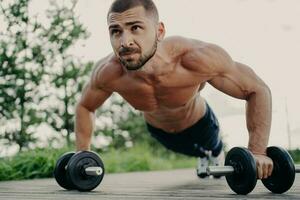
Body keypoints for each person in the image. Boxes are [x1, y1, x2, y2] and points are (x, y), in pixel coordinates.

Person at [75, 0, 273, 179]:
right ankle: (203, 157)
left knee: (211, 147)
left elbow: (257, 89)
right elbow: (85, 106)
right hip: (160, 132)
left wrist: (257, 152)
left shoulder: (195, 58)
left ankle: (215, 153)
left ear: (159, 32)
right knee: (192, 151)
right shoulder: (108, 73)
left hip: (200, 124)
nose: (125, 42)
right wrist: (82, 157)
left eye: (135, 28)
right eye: (116, 31)